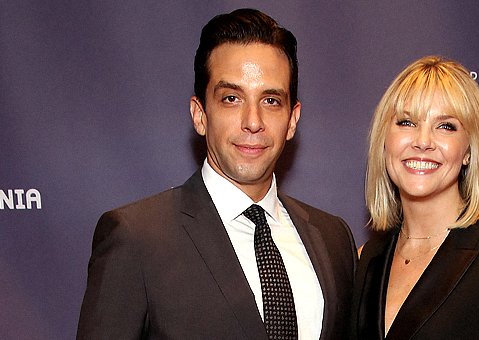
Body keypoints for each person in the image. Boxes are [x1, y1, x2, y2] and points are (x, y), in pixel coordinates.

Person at [77, 8, 357, 339]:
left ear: (292, 120)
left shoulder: (332, 238)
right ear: (200, 114)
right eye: (231, 98)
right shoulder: (137, 238)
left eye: (270, 100)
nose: (253, 121)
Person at [352, 56, 479, 339]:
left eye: (445, 126)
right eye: (407, 122)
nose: (423, 141)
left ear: (469, 150)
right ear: (384, 141)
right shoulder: (364, 260)